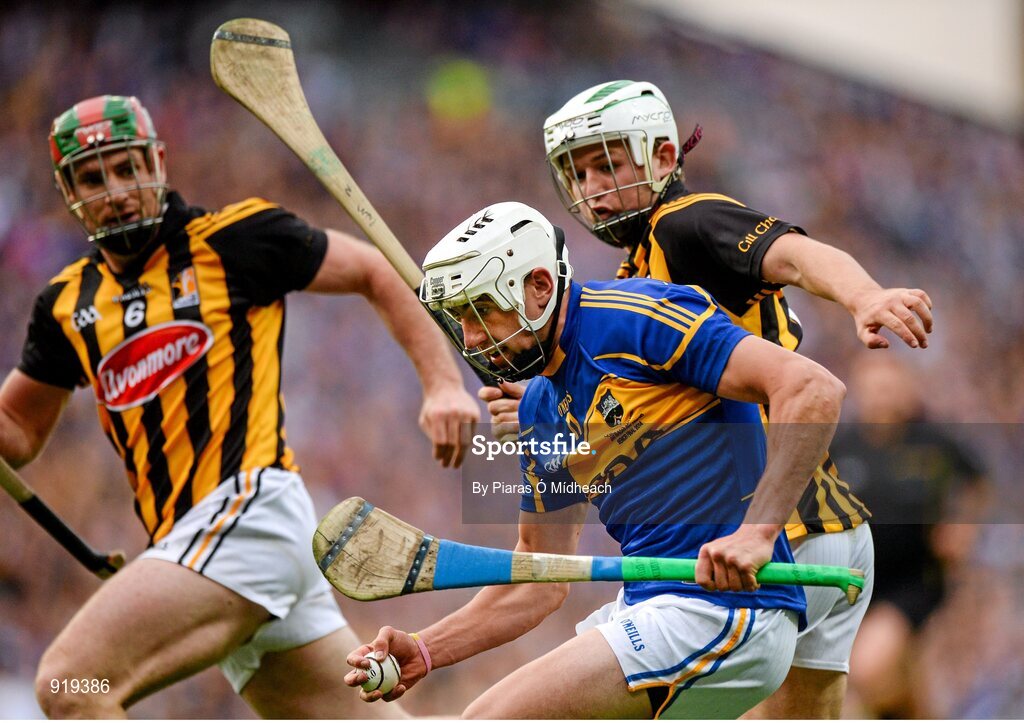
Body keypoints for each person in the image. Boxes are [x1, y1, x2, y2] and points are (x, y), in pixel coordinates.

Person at [0, 95, 479, 718]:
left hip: (248, 518)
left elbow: (372, 270)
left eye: (126, 168)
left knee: (69, 685)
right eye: (93, 178)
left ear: (158, 162)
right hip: (204, 549)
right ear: (67, 189)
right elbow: (17, 429)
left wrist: (443, 382)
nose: (115, 190)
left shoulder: (231, 241)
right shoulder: (67, 303)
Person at [481, 80, 932, 717]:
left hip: (770, 523)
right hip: (834, 523)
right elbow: (647, 409)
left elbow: (796, 257)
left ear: (664, 157)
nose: (591, 187)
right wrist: (543, 400)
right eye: (576, 174)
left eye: (608, 164)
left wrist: (864, 295)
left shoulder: (686, 223)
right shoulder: (633, 275)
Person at [343, 201, 850, 718]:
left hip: (725, 609)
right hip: (650, 606)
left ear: (539, 285)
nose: (472, 340)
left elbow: (812, 388)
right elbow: (538, 581)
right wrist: (426, 649)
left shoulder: (634, 318)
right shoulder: (541, 408)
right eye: (460, 321)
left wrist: (758, 531)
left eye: (482, 313)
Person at [834, 355, 988, 718]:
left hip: (913, 579)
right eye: (873, 390)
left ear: (906, 388)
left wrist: (961, 526)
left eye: (888, 388)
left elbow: (977, 482)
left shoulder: (931, 442)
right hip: (855, 580)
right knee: (888, 684)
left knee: (866, 670)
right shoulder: (843, 445)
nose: (881, 398)